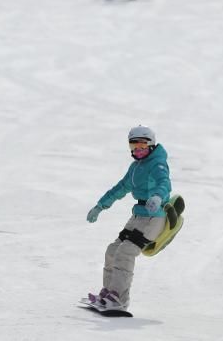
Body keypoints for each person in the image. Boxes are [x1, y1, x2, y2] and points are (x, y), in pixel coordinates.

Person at [85, 125, 173, 311]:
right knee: (112, 250)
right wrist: (101, 205)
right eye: (133, 146)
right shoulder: (135, 167)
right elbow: (121, 188)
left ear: (151, 145)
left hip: (154, 217)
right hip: (138, 215)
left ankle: (119, 299)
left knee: (126, 251)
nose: (137, 150)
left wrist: (157, 196)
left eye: (141, 145)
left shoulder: (157, 164)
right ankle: (108, 293)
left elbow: (164, 182)